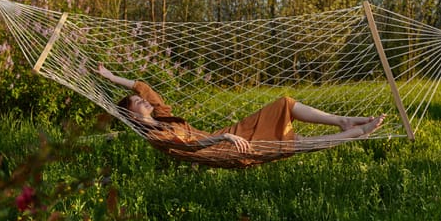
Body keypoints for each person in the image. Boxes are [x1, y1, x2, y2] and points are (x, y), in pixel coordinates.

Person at [97, 64, 386, 156]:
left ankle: (343, 121)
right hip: (219, 150)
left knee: (283, 104)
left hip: (224, 137)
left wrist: (113, 78)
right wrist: (222, 140)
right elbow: (191, 147)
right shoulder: (155, 136)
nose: (144, 102)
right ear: (133, 117)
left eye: (141, 101)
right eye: (138, 105)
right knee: (292, 144)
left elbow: (145, 88)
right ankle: (355, 133)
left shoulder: (161, 117)